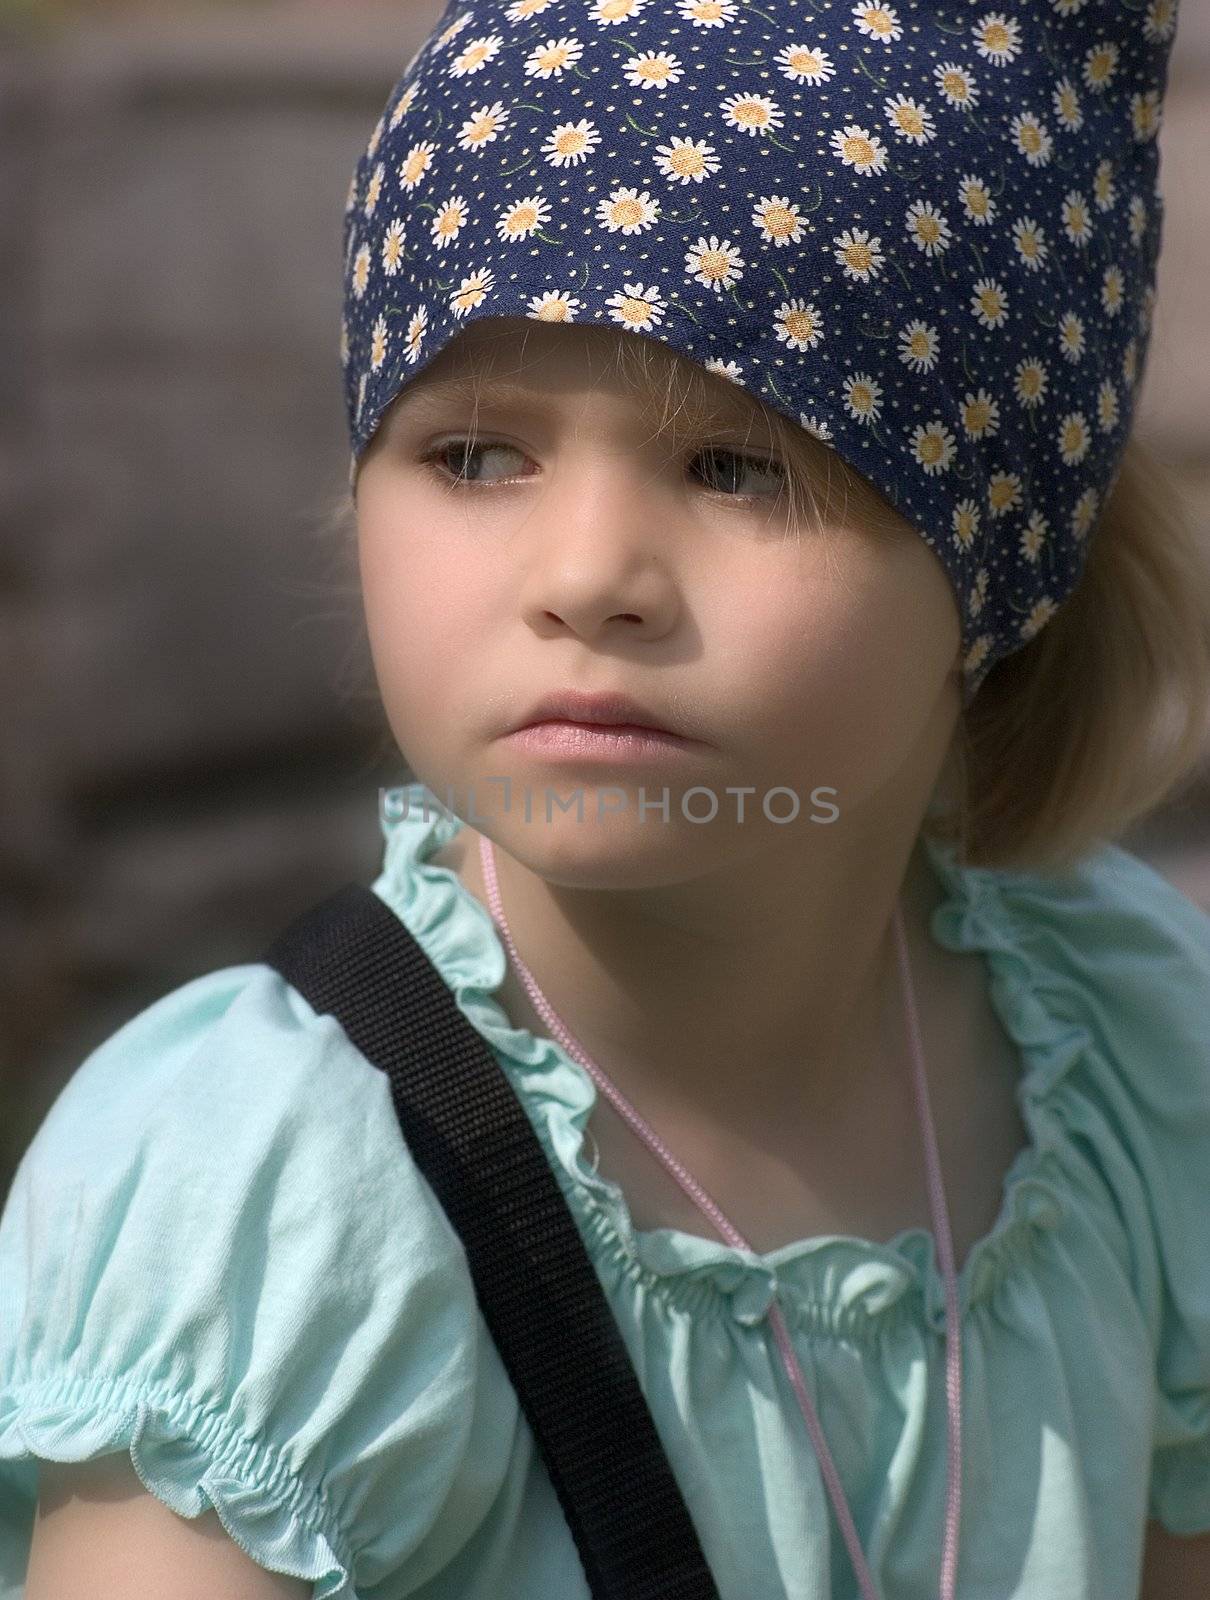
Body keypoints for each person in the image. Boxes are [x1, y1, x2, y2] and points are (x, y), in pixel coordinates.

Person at [3, 1, 1210, 1596]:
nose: (586, 579)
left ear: (1000, 555)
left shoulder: (1126, 1064)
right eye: (476, 454)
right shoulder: (278, 1205)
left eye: (740, 465)